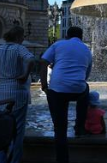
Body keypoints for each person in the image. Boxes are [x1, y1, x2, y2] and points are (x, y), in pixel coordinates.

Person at [0, 25, 36, 163]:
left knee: (1, 129)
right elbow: (31, 59)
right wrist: (25, 74)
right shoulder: (19, 48)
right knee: (18, 131)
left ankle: (1, 161)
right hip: (18, 92)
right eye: (22, 37)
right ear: (18, 37)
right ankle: (14, 161)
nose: (23, 39)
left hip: (1, 93)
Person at [39, 26, 92, 163]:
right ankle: (79, 126)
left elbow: (43, 61)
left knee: (60, 128)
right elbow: (86, 74)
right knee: (85, 88)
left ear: (67, 36)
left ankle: (62, 159)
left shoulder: (58, 44)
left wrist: (44, 85)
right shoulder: (86, 49)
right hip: (78, 90)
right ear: (81, 37)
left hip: (57, 90)